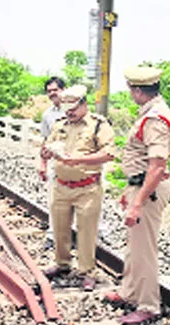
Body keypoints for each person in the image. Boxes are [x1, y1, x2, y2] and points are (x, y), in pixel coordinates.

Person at [104, 67, 170, 325]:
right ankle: (129, 292)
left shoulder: (155, 118)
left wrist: (138, 202)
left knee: (144, 250)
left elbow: (156, 167)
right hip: (141, 185)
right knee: (134, 246)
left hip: (150, 190)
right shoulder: (150, 113)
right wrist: (130, 189)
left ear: (137, 90)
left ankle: (148, 305)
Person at [40, 85, 116, 291]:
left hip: (87, 188)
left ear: (84, 104)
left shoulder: (99, 125)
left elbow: (109, 153)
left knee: (86, 231)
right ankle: (62, 264)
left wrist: (80, 160)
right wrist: (45, 156)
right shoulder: (59, 124)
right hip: (61, 186)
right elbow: (47, 144)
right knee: (60, 228)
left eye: (73, 107)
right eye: (66, 107)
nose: (69, 112)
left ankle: (87, 271)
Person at [39, 77, 66, 250]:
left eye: (55, 90)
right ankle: (52, 236)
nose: (52, 94)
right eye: (49, 91)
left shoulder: (76, 109)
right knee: (54, 200)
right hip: (56, 164)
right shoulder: (47, 115)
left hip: (77, 163)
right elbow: (45, 141)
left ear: (63, 89)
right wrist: (42, 163)